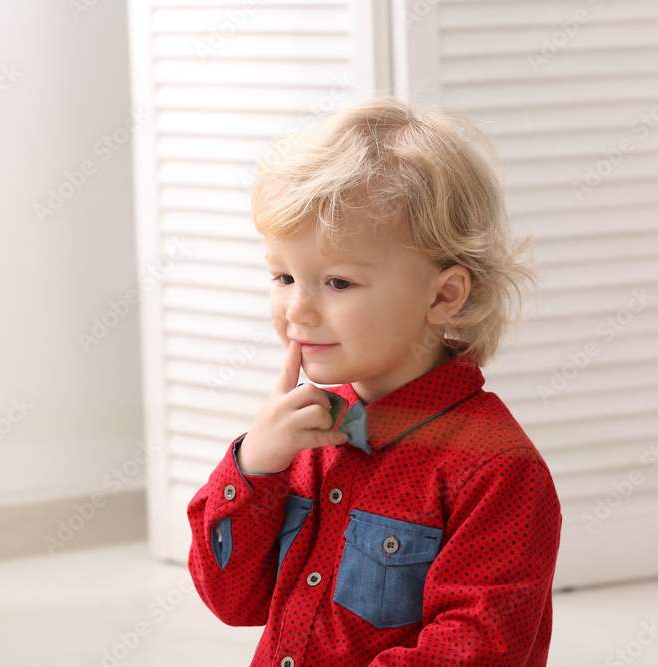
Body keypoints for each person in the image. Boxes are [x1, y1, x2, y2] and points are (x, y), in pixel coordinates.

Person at [187, 95, 562, 666]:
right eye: (284, 275)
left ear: (443, 295)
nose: (298, 311)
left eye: (338, 282)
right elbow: (233, 601)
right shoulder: (298, 436)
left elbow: (473, 651)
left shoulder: (498, 470)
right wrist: (253, 470)